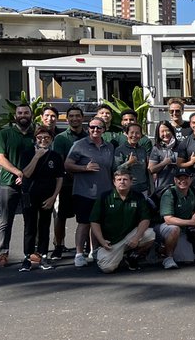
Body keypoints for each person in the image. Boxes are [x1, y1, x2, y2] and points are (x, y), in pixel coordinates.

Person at [64, 115, 117, 268]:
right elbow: (67, 165)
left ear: (104, 129)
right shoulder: (79, 145)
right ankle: (79, 253)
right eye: (92, 127)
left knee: (98, 223)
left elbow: (112, 169)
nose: (95, 130)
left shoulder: (109, 147)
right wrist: (84, 168)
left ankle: (94, 251)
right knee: (84, 223)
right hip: (84, 192)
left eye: (98, 127)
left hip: (105, 192)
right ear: (88, 129)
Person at [0, 102, 36, 268]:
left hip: (29, 186)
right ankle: (3, 253)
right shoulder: (4, 134)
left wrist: (26, 176)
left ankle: (31, 252)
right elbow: (0, 158)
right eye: (20, 113)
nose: (23, 115)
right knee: (6, 221)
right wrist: (18, 172)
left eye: (26, 113)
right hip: (8, 184)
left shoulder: (36, 134)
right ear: (15, 116)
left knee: (30, 220)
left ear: (31, 115)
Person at [89, 167, 155, 273]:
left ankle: (132, 255)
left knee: (150, 234)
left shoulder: (138, 196)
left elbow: (145, 219)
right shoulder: (105, 197)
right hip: (111, 242)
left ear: (131, 182)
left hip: (130, 236)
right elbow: (94, 221)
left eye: (125, 179)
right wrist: (101, 240)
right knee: (107, 268)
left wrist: (137, 237)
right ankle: (103, 253)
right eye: (119, 179)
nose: (122, 182)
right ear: (114, 182)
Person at [18, 125, 64, 272]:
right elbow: (26, 173)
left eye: (46, 138)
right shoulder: (27, 153)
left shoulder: (55, 156)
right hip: (29, 195)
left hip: (47, 196)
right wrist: (37, 157)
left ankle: (44, 254)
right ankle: (28, 256)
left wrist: (54, 197)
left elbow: (59, 178)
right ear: (35, 139)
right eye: (40, 138)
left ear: (51, 139)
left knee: (45, 225)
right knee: (29, 226)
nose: (43, 140)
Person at [50, 105, 87, 258]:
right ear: (67, 119)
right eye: (71, 116)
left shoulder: (88, 136)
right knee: (61, 216)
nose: (74, 118)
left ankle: (86, 246)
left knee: (85, 218)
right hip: (65, 184)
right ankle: (58, 246)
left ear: (82, 118)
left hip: (85, 183)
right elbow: (59, 161)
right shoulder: (61, 138)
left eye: (77, 116)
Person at [157, 168, 195, 269]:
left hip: (182, 230)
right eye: (179, 178)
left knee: (188, 259)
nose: (183, 181)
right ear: (175, 180)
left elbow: (194, 213)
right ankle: (168, 257)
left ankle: (161, 249)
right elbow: (168, 219)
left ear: (191, 179)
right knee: (174, 228)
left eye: (186, 178)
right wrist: (191, 222)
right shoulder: (169, 194)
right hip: (163, 228)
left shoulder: (194, 192)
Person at [113, 123, 152, 196]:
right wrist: (128, 163)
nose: (134, 135)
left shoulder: (142, 150)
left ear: (141, 135)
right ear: (127, 134)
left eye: (137, 133)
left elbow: (145, 170)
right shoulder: (120, 150)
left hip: (143, 189)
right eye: (132, 132)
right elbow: (115, 169)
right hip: (128, 189)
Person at [148, 121, 184, 199]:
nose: (165, 133)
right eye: (162, 131)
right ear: (158, 133)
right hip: (163, 188)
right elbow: (151, 169)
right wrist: (164, 163)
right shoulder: (156, 148)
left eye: (167, 130)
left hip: (181, 186)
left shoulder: (181, 145)